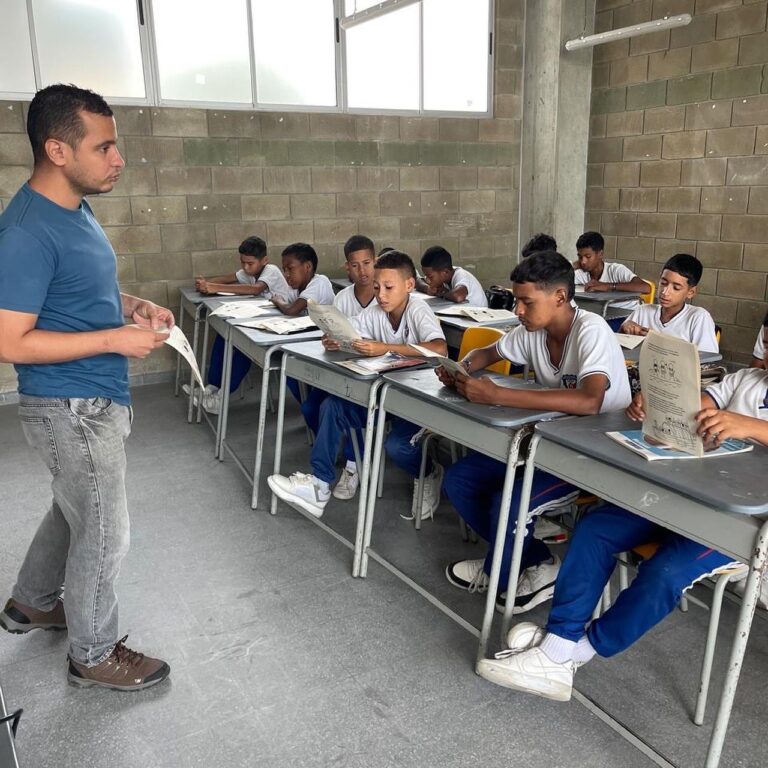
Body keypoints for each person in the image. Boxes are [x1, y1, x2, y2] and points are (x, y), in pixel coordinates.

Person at [475, 314, 768, 701]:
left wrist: (749, 426)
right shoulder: (745, 381)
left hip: (742, 526)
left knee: (666, 571)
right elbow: (693, 406)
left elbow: (740, 425)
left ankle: (576, 651)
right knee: (596, 529)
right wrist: (658, 403)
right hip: (685, 493)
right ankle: (558, 645)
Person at [0, 84, 172, 691]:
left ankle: (33, 601)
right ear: (58, 150)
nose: (118, 159)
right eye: (104, 147)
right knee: (104, 527)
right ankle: (93, 653)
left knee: (77, 507)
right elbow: (9, 340)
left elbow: (74, 294)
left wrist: (131, 306)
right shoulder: (23, 232)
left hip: (91, 395)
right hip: (69, 405)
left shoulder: (76, 207)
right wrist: (113, 340)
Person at [438, 252, 631, 614]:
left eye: (526, 302)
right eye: (516, 301)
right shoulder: (533, 332)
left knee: (508, 501)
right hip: (548, 443)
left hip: (595, 454)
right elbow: (486, 352)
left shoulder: (591, 331)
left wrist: (499, 394)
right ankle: (532, 561)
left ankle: (506, 563)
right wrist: (459, 368)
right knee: (460, 479)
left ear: (559, 297)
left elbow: (590, 401)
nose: (519, 311)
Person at [268, 250, 448, 520]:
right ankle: (319, 486)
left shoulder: (418, 309)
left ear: (410, 285)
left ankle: (428, 474)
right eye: (377, 287)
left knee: (397, 447)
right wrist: (336, 339)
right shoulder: (376, 311)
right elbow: (350, 330)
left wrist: (383, 347)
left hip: (420, 402)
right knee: (332, 406)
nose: (381, 294)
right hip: (386, 397)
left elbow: (440, 348)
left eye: (389, 287)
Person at [301, 235, 377, 501]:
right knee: (310, 407)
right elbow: (332, 332)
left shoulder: (386, 295)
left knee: (339, 405)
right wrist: (329, 340)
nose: (362, 271)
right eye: (355, 265)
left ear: (375, 262)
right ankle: (343, 444)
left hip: (373, 373)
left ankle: (353, 462)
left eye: (367, 263)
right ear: (347, 267)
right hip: (346, 368)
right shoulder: (343, 297)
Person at [190, 235, 294, 414]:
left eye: (250, 263)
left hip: (281, 328)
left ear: (264, 260)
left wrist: (215, 288)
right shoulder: (249, 272)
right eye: (243, 263)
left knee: (243, 350)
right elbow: (229, 278)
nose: (246, 268)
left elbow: (255, 289)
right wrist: (207, 283)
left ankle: (222, 397)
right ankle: (211, 388)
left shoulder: (271, 270)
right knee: (223, 337)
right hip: (260, 324)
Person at [620, 254, 718, 354]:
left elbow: (708, 361)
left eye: (676, 288)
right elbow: (619, 345)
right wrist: (625, 328)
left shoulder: (698, 317)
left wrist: (658, 340)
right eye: (663, 283)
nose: (665, 292)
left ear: (690, 292)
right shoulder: (643, 311)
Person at [574, 231, 650, 329]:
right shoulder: (581, 273)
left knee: (596, 329)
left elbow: (646, 288)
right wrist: (572, 266)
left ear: (600, 254)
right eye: (580, 257)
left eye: (588, 257)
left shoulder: (616, 270)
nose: (583, 261)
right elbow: (558, 281)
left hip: (626, 316)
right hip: (601, 314)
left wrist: (608, 286)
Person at [272, 242, 334, 315]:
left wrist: (278, 301)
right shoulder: (294, 288)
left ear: (307, 267)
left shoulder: (320, 283)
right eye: (284, 270)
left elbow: (291, 310)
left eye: (290, 268)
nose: (286, 274)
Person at [417, 246, 488, 306]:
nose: (428, 280)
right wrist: (427, 288)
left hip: (480, 318)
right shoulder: (442, 274)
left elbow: (458, 296)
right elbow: (418, 281)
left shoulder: (461, 275)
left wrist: (441, 293)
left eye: (430, 277)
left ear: (445, 272)